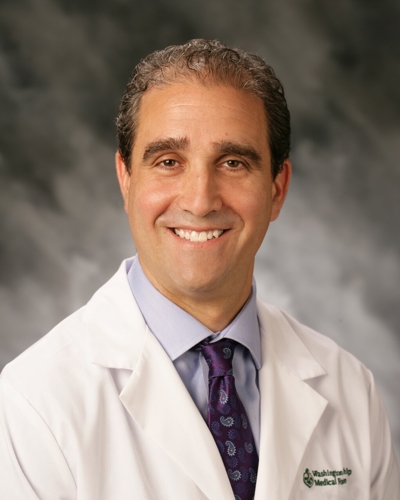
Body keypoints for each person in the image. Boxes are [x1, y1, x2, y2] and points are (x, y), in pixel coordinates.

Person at [0, 39, 399, 500]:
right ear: (126, 180)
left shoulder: (350, 389)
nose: (200, 200)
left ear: (277, 189)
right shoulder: (33, 403)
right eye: (169, 162)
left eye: (233, 163)